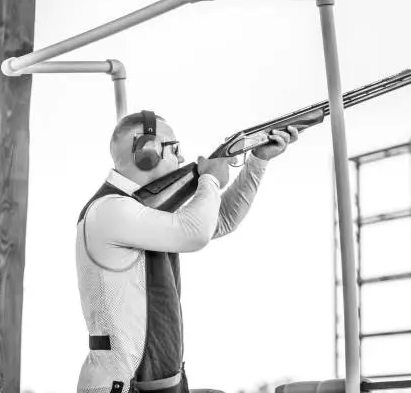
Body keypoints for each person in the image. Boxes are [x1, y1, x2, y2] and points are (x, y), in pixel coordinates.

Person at [76, 110, 298, 393]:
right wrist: (210, 180)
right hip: (124, 385)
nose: (182, 158)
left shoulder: (141, 211)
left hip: (160, 382)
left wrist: (258, 160)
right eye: (175, 149)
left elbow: (221, 220)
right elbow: (195, 232)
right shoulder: (110, 210)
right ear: (147, 151)